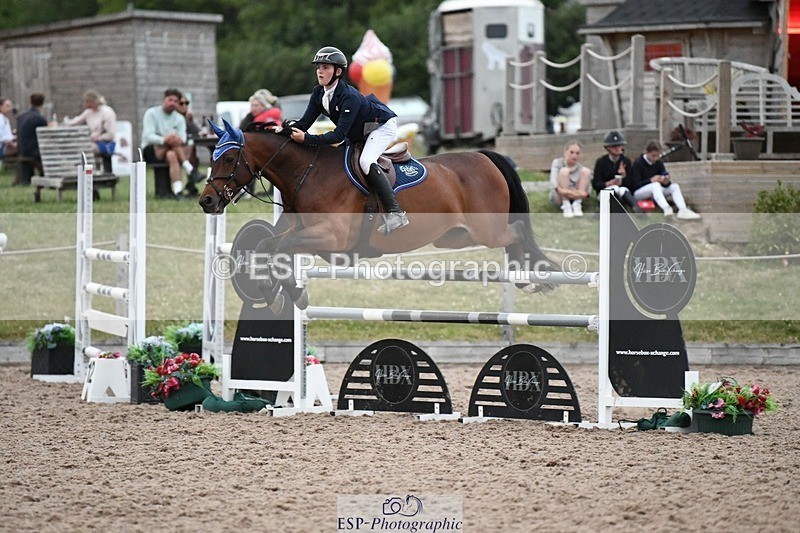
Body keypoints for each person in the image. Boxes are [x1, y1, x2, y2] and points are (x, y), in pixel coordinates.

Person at [286, 46, 407, 234]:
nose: (320, 71)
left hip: (381, 126)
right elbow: (304, 124)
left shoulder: (349, 97)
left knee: (366, 161)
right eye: (318, 67)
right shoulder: (319, 93)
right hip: (359, 130)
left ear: (338, 72)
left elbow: (338, 135)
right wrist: (282, 130)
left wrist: (306, 139)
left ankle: (395, 212)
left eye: (325, 67)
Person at [140, 88, 198, 199]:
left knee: (171, 155)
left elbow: (183, 138)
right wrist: (164, 140)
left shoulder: (179, 118)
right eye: (170, 100)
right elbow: (148, 136)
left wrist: (174, 139)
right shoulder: (151, 113)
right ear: (164, 99)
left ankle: (178, 191)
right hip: (151, 150)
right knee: (172, 143)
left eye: (175, 101)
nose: (172, 103)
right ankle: (190, 169)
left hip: (171, 151)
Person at [628, 140, 701, 219]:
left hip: (656, 191)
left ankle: (683, 209)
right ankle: (666, 208)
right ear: (646, 152)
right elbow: (635, 185)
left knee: (674, 186)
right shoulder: (638, 163)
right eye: (653, 156)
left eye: (657, 156)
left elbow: (664, 175)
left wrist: (666, 181)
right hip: (639, 192)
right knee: (655, 185)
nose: (655, 158)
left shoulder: (659, 162)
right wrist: (650, 180)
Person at [66, 90, 117, 173]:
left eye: (86, 102)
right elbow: (76, 122)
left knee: (87, 148)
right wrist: (65, 123)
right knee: (80, 147)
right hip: (93, 141)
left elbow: (111, 134)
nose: (85, 104)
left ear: (92, 101)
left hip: (106, 143)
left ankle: (93, 171)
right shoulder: (88, 112)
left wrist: (98, 138)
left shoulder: (107, 112)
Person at [592, 130, 639, 212]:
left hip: (621, 192)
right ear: (608, 148)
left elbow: (631, 184)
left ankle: (636, 207)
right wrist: (608, 183)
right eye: (614, 146)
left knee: (622, 189)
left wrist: (624, 176)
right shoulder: (601, 162)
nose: (617, 148)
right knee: (614, 188)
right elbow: (596, 184)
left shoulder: (626, 161)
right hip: (605, 192)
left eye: (619, 145)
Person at [549, 139, 591, 218]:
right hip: (560, 195)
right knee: (564, 171)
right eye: (571, 152)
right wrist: (565, 191)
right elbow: (553, 183)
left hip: (577, 195)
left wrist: (581, 194)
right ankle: (566, 205)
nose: (574, 155)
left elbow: (587, 191)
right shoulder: (557, 163)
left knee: (586, 171)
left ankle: (577, 204)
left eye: (577, 153)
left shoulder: (580, 168)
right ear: (565, 152)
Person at [15, 93, 47, 185]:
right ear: (42, 103)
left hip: (21, 149)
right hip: (33, 152)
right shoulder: (40, 119)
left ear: (30, 101)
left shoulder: (21, 117)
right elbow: (44, 137)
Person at [175, 94, 202, 189]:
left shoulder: (186, 117)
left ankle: (191, 182)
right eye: (181, 103)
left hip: (185, 147)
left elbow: (197, 131)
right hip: (175, 148)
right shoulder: (174, 117)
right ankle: (192, 175)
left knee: (192, 150)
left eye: (186, 103)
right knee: (191, 149)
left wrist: (190, 120)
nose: (184, 106)